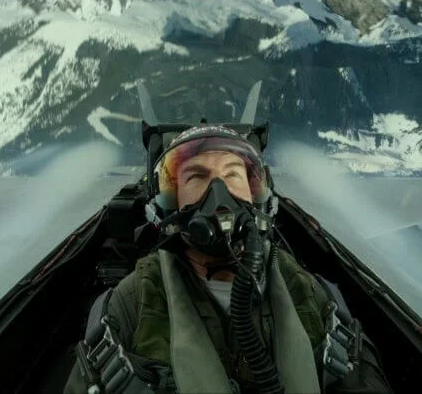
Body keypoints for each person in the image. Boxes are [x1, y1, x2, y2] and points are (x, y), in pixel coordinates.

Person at [65, 125, 392, 394]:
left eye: (233, 174)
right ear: (171, 203)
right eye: (197, 176)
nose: (219, 193)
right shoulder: (131, 304)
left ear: (256, 193)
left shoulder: (309, 295)